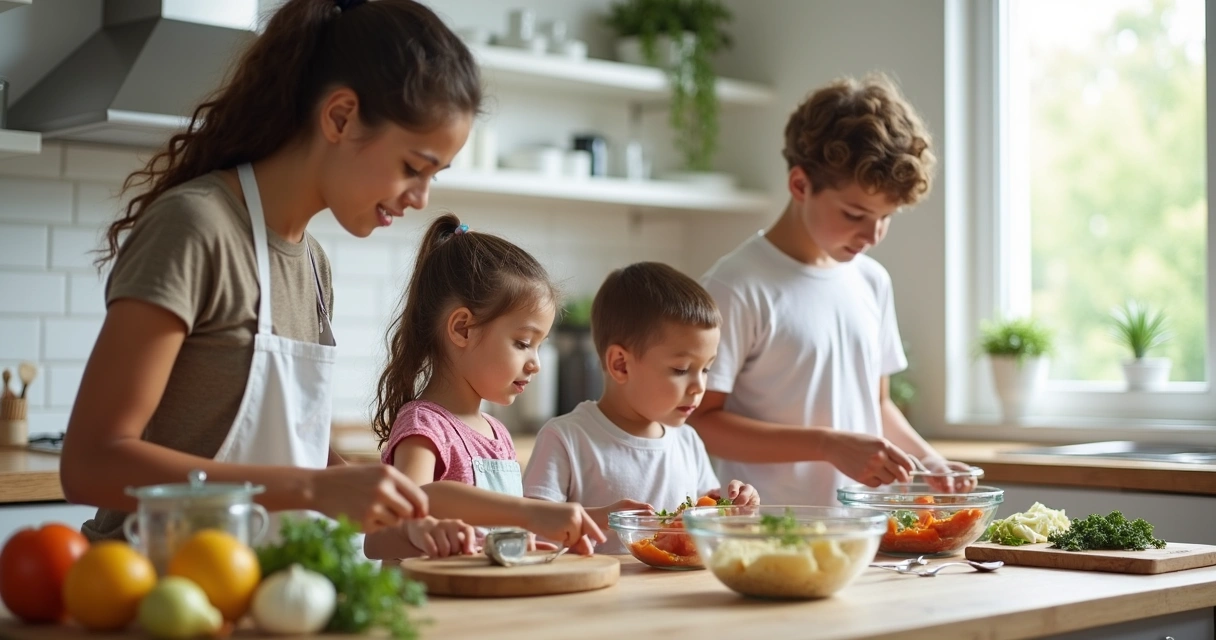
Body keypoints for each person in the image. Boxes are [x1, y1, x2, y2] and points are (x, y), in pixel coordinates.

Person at [58, 0, 587, 545]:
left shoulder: (313, 265)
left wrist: (357, 484)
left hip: (271, 589)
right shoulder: (196, 229)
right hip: (157, 590)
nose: (420, 197)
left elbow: (288, 452)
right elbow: (92, 464)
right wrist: (310, 489)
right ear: (339, 117)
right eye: (413, 167)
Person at [689, 74, 974, 508]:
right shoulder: (737, 285)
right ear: (801, 185)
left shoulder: (872, 281)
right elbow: (702, 421)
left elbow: (876, 406)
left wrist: (930, 460)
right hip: (768, 530)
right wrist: (826, 444)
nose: (874, 234)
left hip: (863, 528)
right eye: (855, 213)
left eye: (886, 216)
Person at [364, 215, 603, 560]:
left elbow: (499, 532)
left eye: (540, 346)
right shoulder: (424, 427)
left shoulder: (497, 435)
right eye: (523, 343)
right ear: (462, 329)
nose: (535, 362)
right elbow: (380, 539)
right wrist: (427, 533)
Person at [523, 262, 759, 554]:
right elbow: (532, 534)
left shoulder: (688, 441)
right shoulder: (566, 439)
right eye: (681, 369)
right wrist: (599, 520)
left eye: (707, 369)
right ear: (620, 364)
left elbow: (706, 525)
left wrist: (732, 510)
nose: (700, 386)